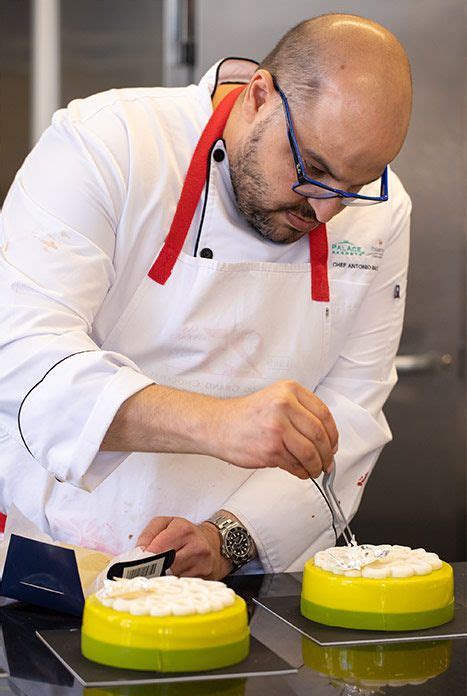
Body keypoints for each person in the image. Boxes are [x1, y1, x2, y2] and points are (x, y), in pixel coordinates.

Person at [0, 14, 412, 578]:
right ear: (259, 96)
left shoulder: (382, 214)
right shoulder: (109, 142)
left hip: (241, 573)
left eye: (356, 187)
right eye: (311, 169)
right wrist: (217, 424)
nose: (325, 210)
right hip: (60, 559)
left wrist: (229, 537)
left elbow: (352, 409)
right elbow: (22, 358)